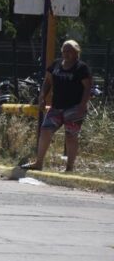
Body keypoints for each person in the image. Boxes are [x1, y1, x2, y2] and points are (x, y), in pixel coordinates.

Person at [22, 40, 92, 172]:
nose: (66, 54)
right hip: (56, 107)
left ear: (76, 52)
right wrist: (42, 96)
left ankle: (69, 168)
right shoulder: (56, 64)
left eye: (69, 51)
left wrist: (82, 105)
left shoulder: (81, 68)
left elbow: (87, 88)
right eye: (64, 51)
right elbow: (47, 81)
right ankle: (38, 163)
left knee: (70, 136)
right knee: (45, 130)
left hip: (74, 108)